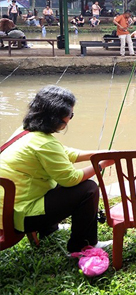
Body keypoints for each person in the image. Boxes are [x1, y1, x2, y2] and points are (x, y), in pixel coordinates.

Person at [0, 85, 116, 253]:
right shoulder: (45, 143)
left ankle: (48, 230)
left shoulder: (26, 132)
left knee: (54, 181)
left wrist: (99, 154)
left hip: (8, 209)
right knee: (88, 189)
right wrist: (101, 164)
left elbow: (63, 153)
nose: (70, 118)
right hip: (17, 217)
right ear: (57, 119)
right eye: (70, 115)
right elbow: (70, 179)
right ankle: (84, 245)